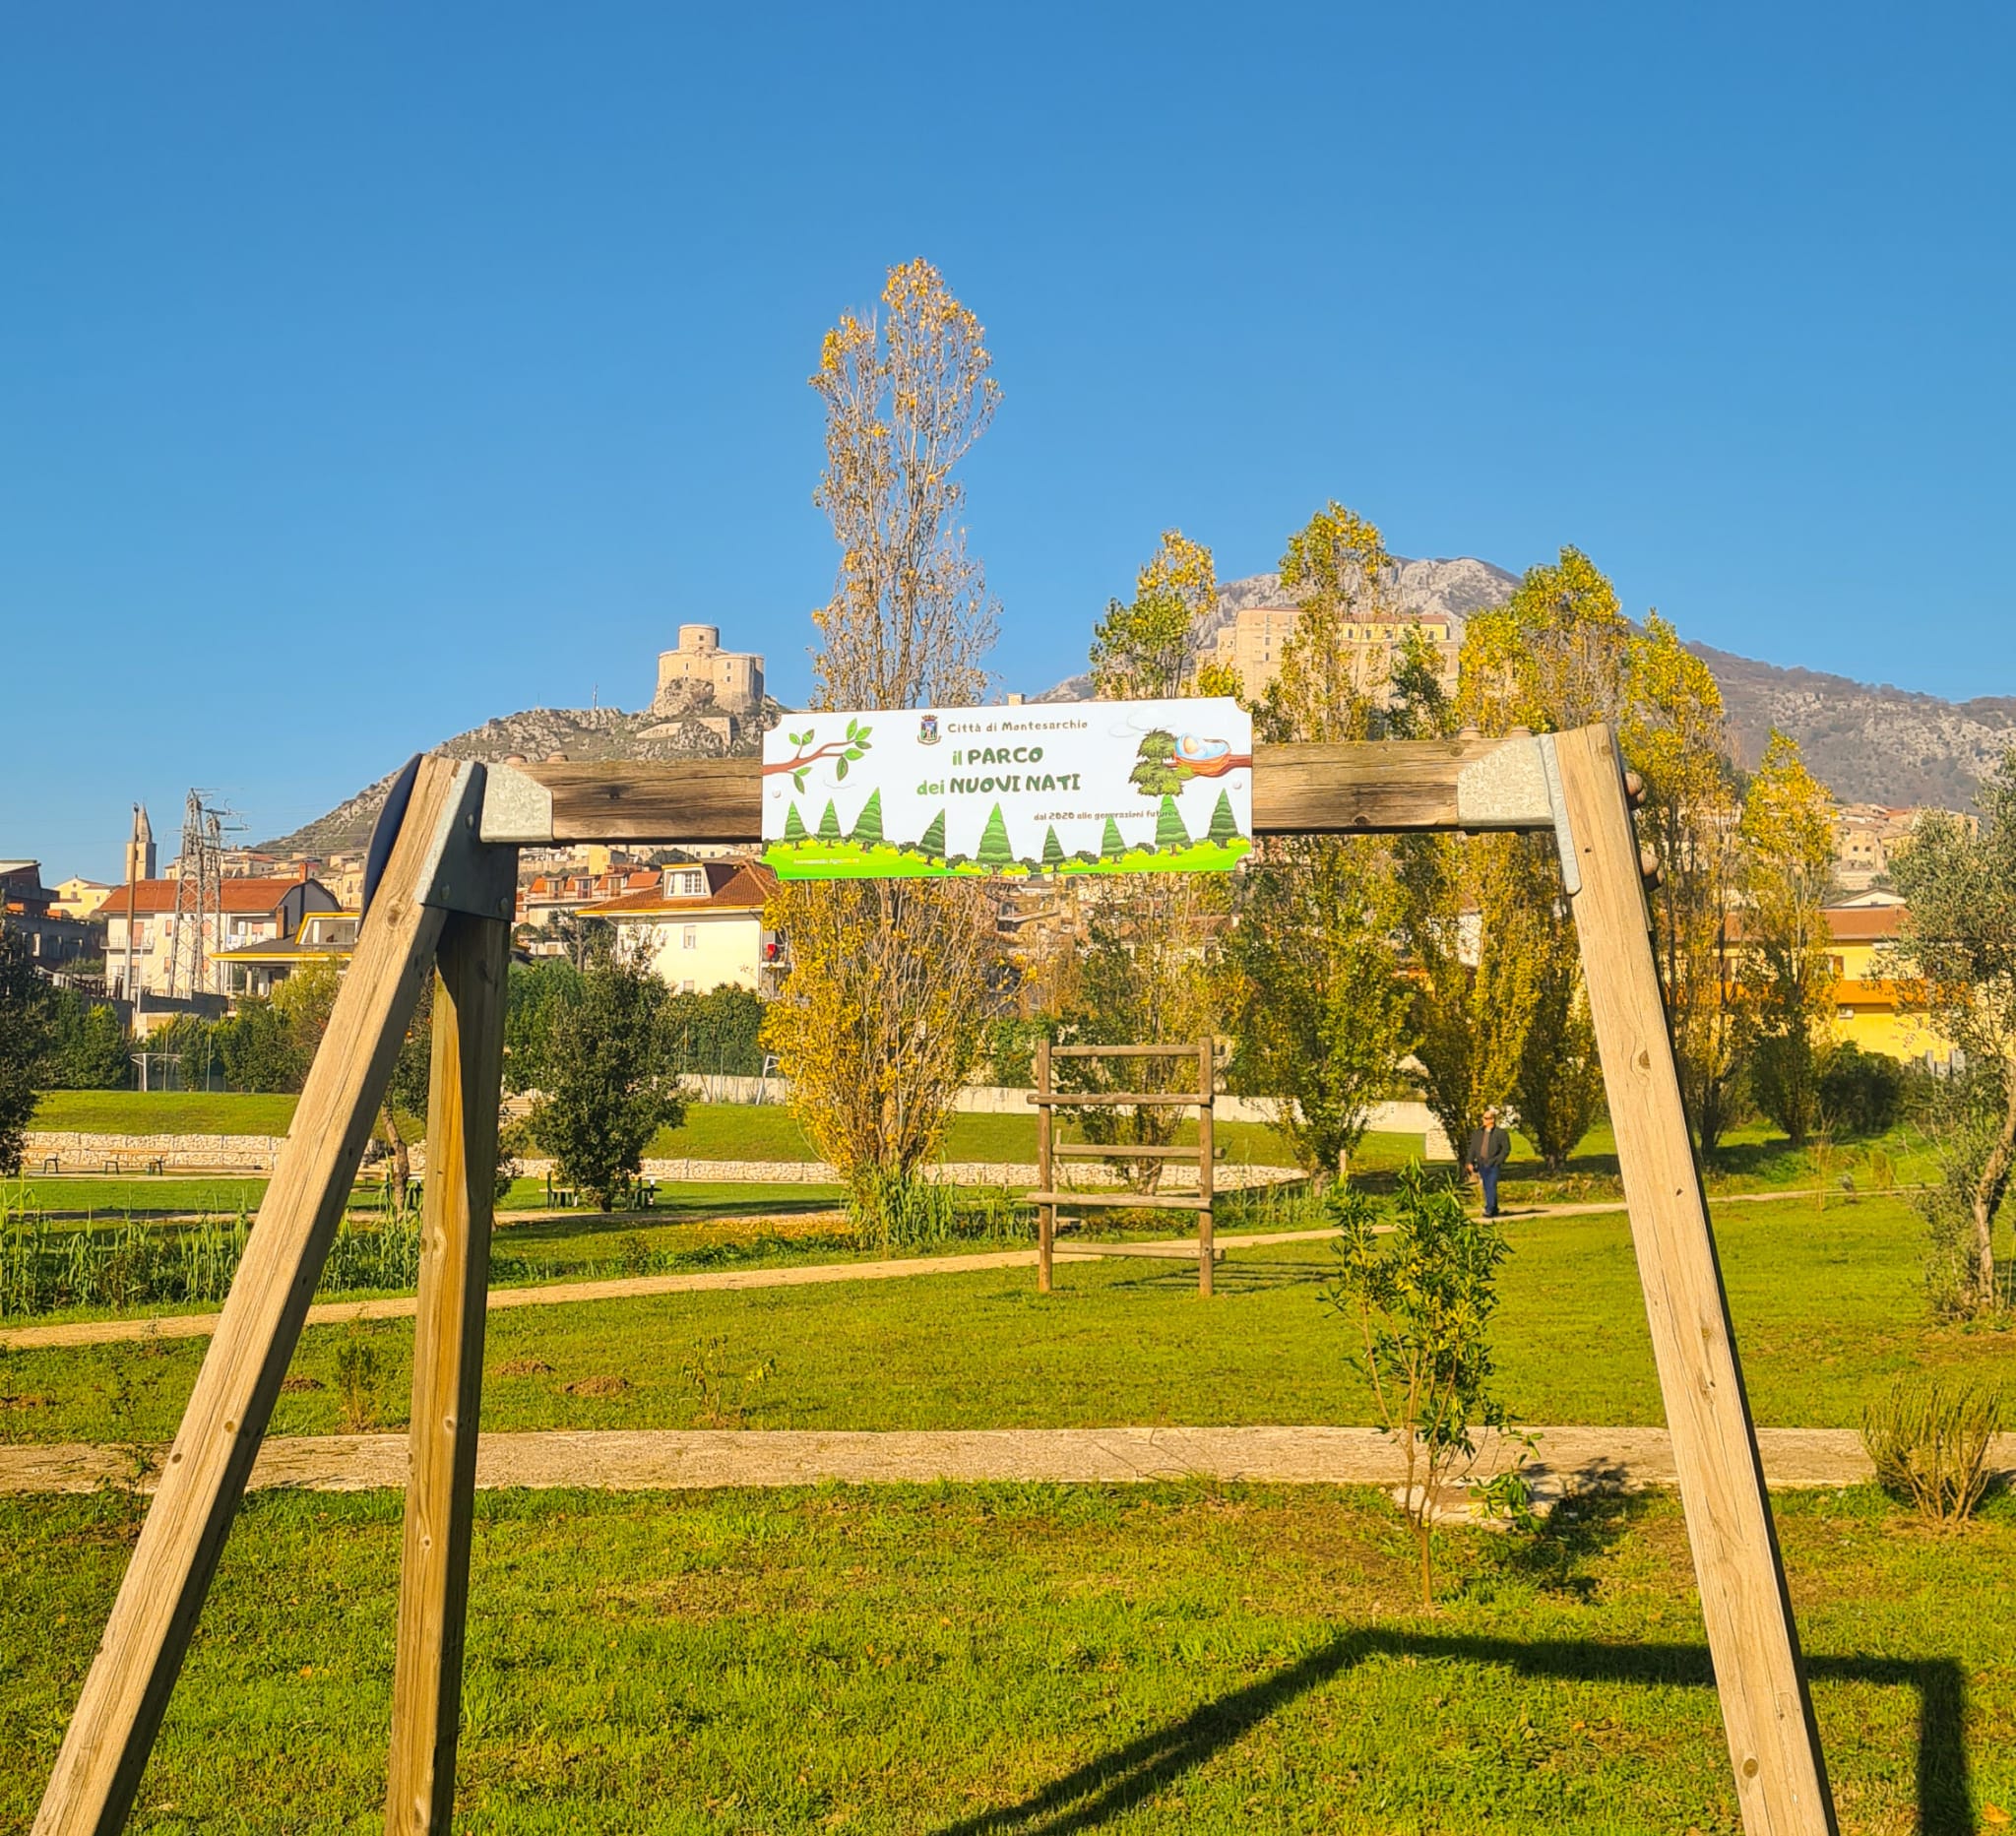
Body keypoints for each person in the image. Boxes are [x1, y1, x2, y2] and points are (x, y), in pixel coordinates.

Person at [1465, 1107, 1512, 1219]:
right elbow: (1472, 1149)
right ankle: (1494, 1209)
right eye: (1483, 1118)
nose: (1484, 1120)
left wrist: (1498, 1161)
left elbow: (1506, 1149)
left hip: (1494, 1164)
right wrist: (1469, 1162)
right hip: (1481, 1163)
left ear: (1492, 1120)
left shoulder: (1500, 1133)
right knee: (1487, 1186)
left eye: (1486, 1118)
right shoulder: (1478, 1133)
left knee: (1491, 1185)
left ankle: (1489, 1209)